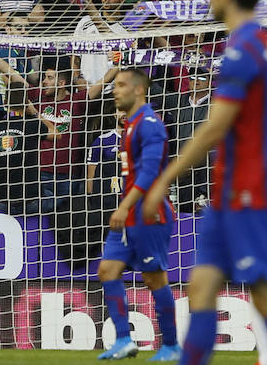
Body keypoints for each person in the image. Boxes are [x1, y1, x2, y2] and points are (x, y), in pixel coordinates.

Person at [143, 0, 267, 365]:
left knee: (263, 294)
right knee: (201, 287)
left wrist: (163, 181)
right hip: (229, 191)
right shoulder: (259, 44)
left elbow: (214, 129)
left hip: (252, 191)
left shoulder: (244, 50)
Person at [93, 68, 180, 360]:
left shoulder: (151, 124)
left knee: (154, 278)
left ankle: (170, 345)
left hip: (149, 213)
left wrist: (124, 205)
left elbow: (150, 173)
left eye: (121, 85)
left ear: (139, 90)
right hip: (130, 213)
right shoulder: (131, 124)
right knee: (107, 270)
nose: (115, 90)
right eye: (114, 85)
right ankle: (123, 340)